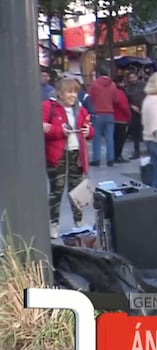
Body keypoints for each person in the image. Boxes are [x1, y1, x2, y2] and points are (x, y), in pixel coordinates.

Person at [42, 77, 94, 239]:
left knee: (78, 190)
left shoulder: (81, 109)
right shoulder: (48, 107)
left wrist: (88, 132)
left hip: (76, 155)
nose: (73, 95)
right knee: (56, 191)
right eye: (69, 92)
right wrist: (59, 131)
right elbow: (42, 127)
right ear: (60, 93)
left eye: (75, 92)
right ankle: (53, 223)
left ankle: (79, 222)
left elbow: (90, 130)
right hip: (58, 156)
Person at [88, 67, 122, 167]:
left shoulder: (94, 84)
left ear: (98, 74)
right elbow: (116, 100)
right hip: (110, 114)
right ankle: (110, 159)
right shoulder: (113, 85)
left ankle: (96, 159)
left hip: (97, 114)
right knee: (110, 138)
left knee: (96, 138)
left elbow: (89, 98)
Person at [125, 71, 146, 160]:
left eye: (134, 77)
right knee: (136, 133)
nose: (133, 79)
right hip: (134, 112)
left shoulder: (143, 85)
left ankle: (150, 151)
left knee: (146, 132)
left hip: (144, 111)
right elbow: (126, 100)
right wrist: (131, 106)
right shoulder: (127, 88)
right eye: (131, 77)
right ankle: (136, 152)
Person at [113, 76, 132, 163]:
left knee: (115, 139)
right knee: (120, 139)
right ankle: (118, 156)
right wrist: (129, 116)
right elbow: (124, 106)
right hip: (121, 119)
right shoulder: (120, 93)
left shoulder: (111, 92)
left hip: (113, 118)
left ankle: (114, 155)